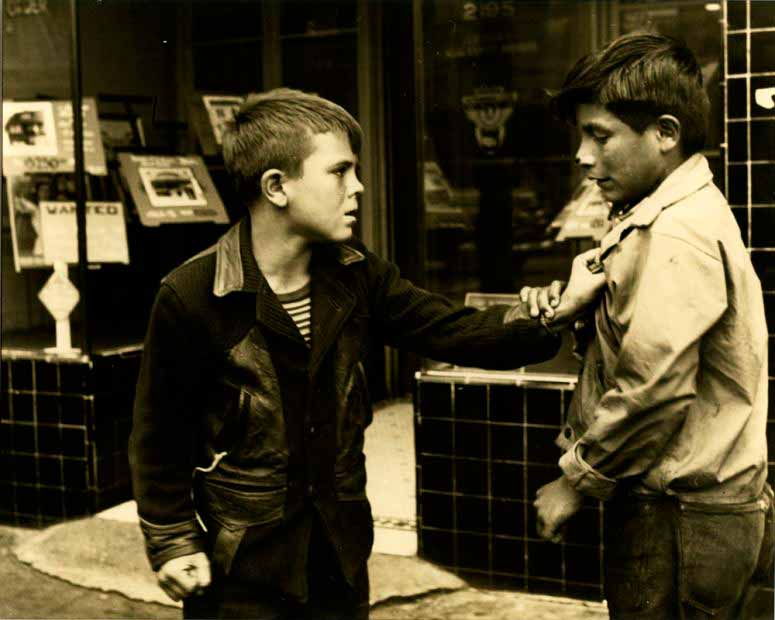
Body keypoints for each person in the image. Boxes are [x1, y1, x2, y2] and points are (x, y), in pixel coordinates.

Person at [129, 88, 605, 620]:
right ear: (277, 187)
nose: (357, 187)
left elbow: (454, 330)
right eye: (339, 172)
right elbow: (158, 436)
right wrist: (172, 539)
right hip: (242, 569)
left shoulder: (356, 275)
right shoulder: (194, 293)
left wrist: (553, 311)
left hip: (339, 555)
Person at [531, 33, 772, 619]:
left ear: (666, 133)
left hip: (681, 516)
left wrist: (576, 481)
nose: (583, 156)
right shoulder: (662, 214)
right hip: (690, 510)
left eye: (600, 135)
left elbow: (652, 386)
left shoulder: (673, 231)